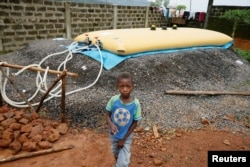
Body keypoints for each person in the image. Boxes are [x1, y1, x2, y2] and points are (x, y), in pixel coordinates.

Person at [106, 72, 142, 167]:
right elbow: (107, 115)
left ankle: (120, 164)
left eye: (128, 86)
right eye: (122, 86)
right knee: (116, 151)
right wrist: (111, 125)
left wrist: (124, 139)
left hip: (126, 135)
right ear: (118, 86)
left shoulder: (136, 104)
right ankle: (117, 162)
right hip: (114, 133)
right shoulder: (114, 100)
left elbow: (135, 122)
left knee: (123, 163)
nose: (125, 89)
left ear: (132, 87)